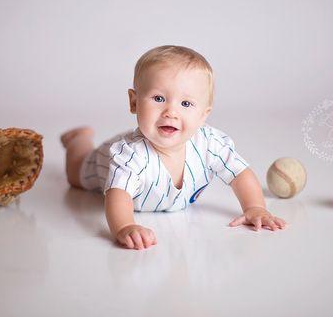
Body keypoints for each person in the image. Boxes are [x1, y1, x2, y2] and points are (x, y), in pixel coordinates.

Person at [61, 45, 286, 250]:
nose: (171, 112)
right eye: (158, 98)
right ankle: (77, 140)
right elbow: (117, 196)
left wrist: (255, 207)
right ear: (134, 102)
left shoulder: (210, 143)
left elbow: (240, 174)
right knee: (76, 172)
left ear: (203, 115)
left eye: (186, 104)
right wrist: (125, 226)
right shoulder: (128, 155)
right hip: (103, 162)